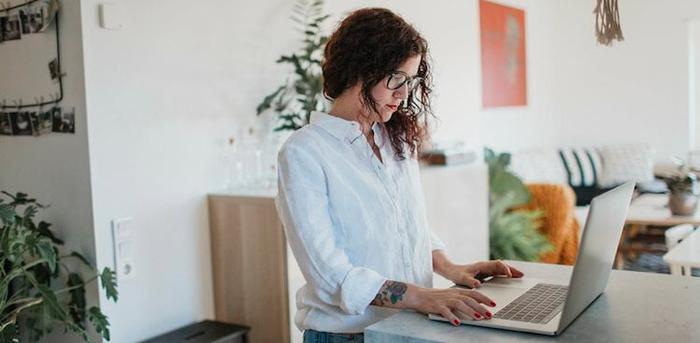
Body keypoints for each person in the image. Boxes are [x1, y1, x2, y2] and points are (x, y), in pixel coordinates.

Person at [275, 8, 523, 342]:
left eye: (410, 81)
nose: (404, 94)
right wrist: (422, 296)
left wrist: (451, 268)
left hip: (407, 327)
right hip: (349, 336)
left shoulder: (392, 138)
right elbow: (330, 276)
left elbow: (406, 225)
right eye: (396, 78)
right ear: (360, 68)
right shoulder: (304, 152)